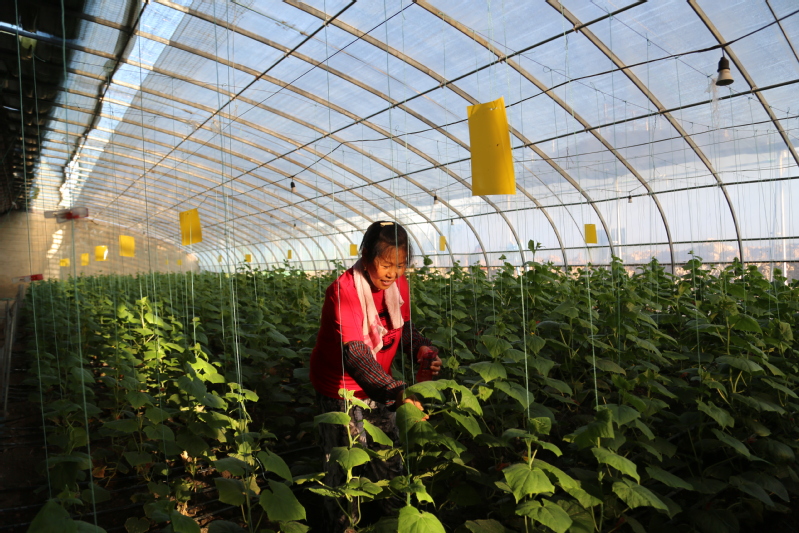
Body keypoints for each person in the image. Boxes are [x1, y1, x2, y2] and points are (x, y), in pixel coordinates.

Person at [309, 221, 441, 531]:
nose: (393, 273)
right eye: (386, 264)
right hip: (341, 389)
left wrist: (421, 347)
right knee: (346, 464)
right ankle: (344, 525)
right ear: (366, 255)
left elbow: (402, 327)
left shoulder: (398, 286)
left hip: (382, 383)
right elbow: (356, 354)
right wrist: (397, 392)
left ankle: (394, 520)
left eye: (400, 265)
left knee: (389, 456)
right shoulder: (344, 291)